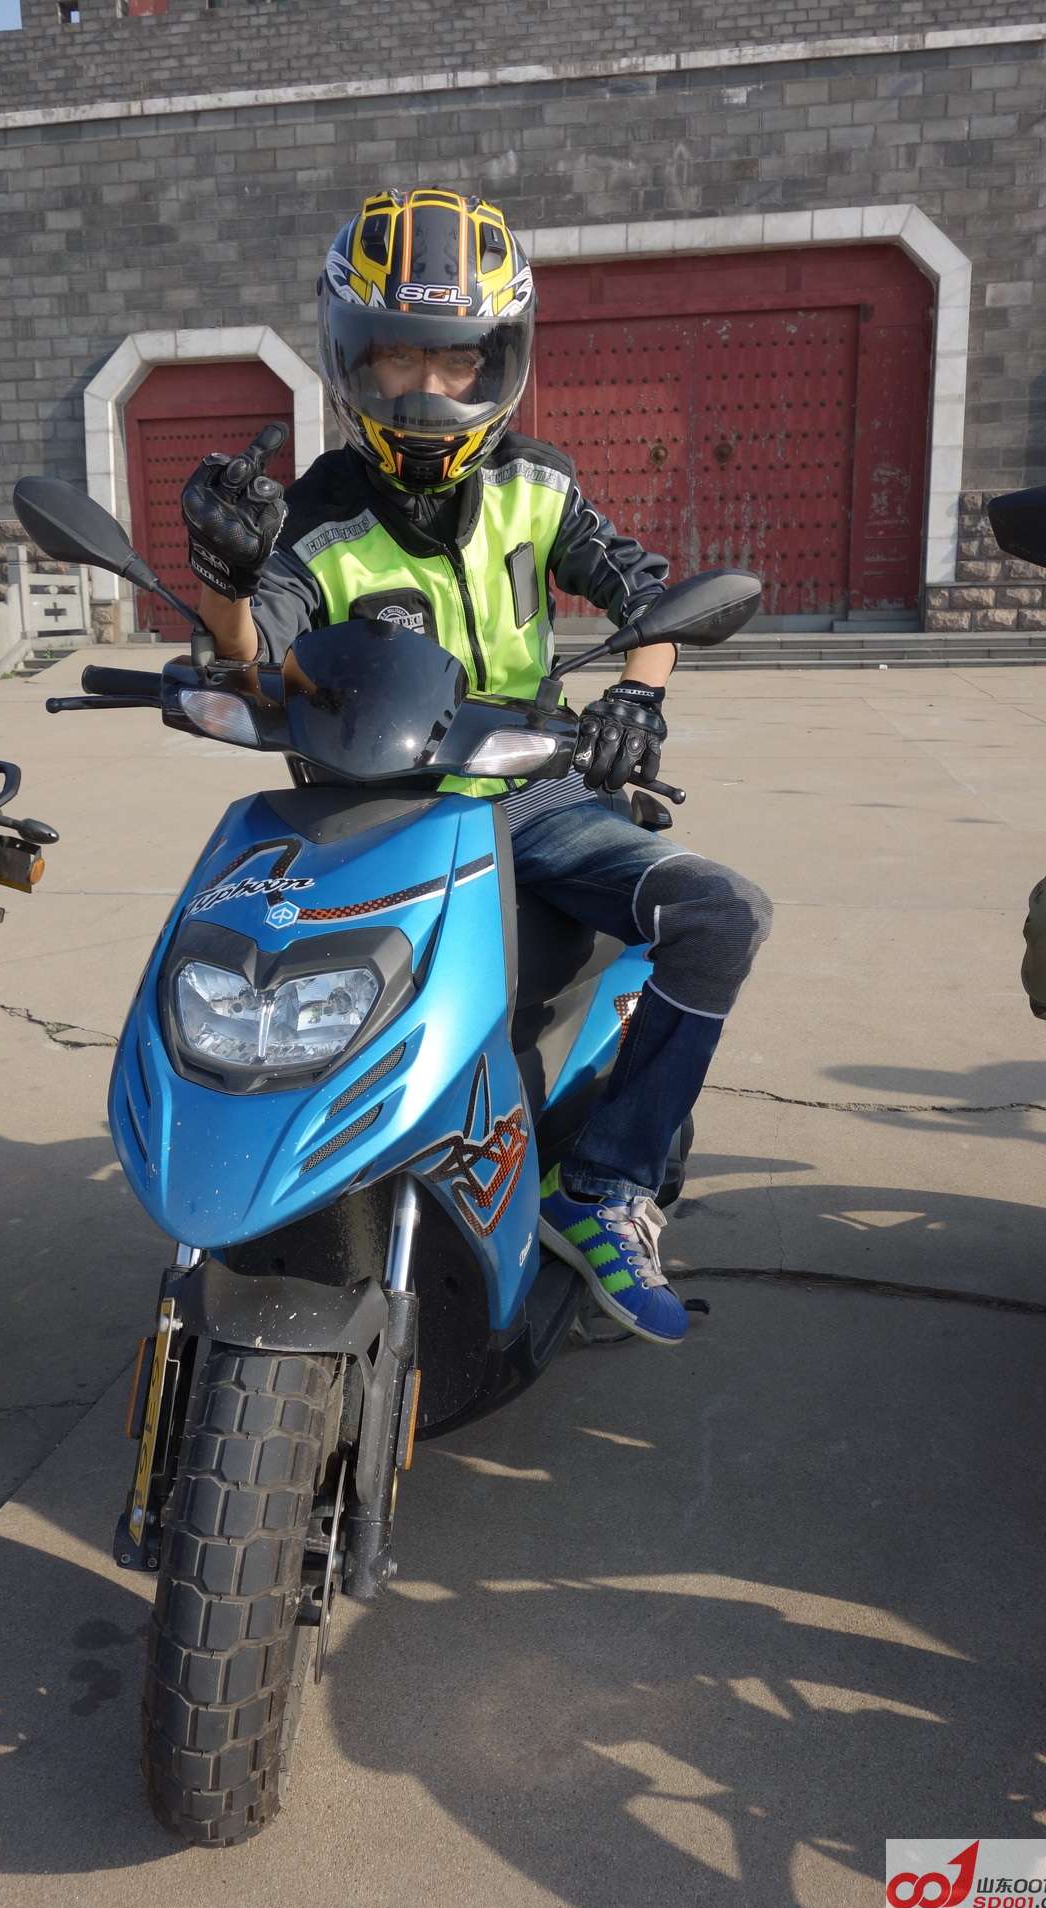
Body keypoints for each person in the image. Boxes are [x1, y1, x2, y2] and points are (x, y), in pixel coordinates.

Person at [181, 186, 772, 1346]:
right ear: (350, 361)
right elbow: (253, 655)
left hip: (534, 792)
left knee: (719, 912)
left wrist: (637, 696)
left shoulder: (538, 485)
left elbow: (645, 591)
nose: (426, 390)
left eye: (455, 361)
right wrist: (225, 575)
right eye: (396, 358)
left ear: (497, 361)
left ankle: (602, 1185)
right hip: (370, 809)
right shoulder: (312, 515)